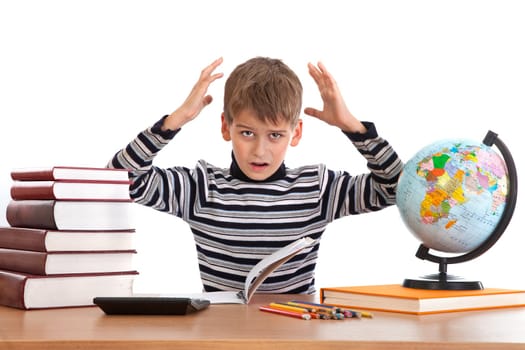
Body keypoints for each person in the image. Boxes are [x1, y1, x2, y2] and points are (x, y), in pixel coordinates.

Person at [108, 56, 403, 295]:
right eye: (247, 133)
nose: (260, 151)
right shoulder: (201, 188)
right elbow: (118, 180)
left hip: (295, 336)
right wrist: (176, 120)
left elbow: (396, 189)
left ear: (295, 133)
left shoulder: (317, 188)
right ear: (226, 128)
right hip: (222, 336)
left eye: (275, 135)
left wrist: (352, 126)